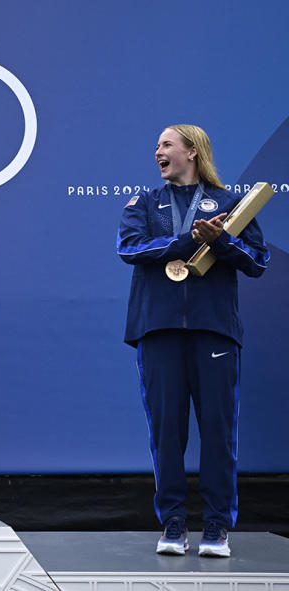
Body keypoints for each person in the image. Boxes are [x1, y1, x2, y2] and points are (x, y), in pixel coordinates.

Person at [117, 125, 268, 557]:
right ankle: (174, 523)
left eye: (166, 145)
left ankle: (218, 526)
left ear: (192, 152)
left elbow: (258, 261)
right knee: (167, 433)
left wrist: (222, 243)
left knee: (218, 433)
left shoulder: (228, 204)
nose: (158, 152)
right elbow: (129, 248)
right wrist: (187, 239)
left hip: (213, 329)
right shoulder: (144, 202)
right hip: (158, 328)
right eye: (157, 146)